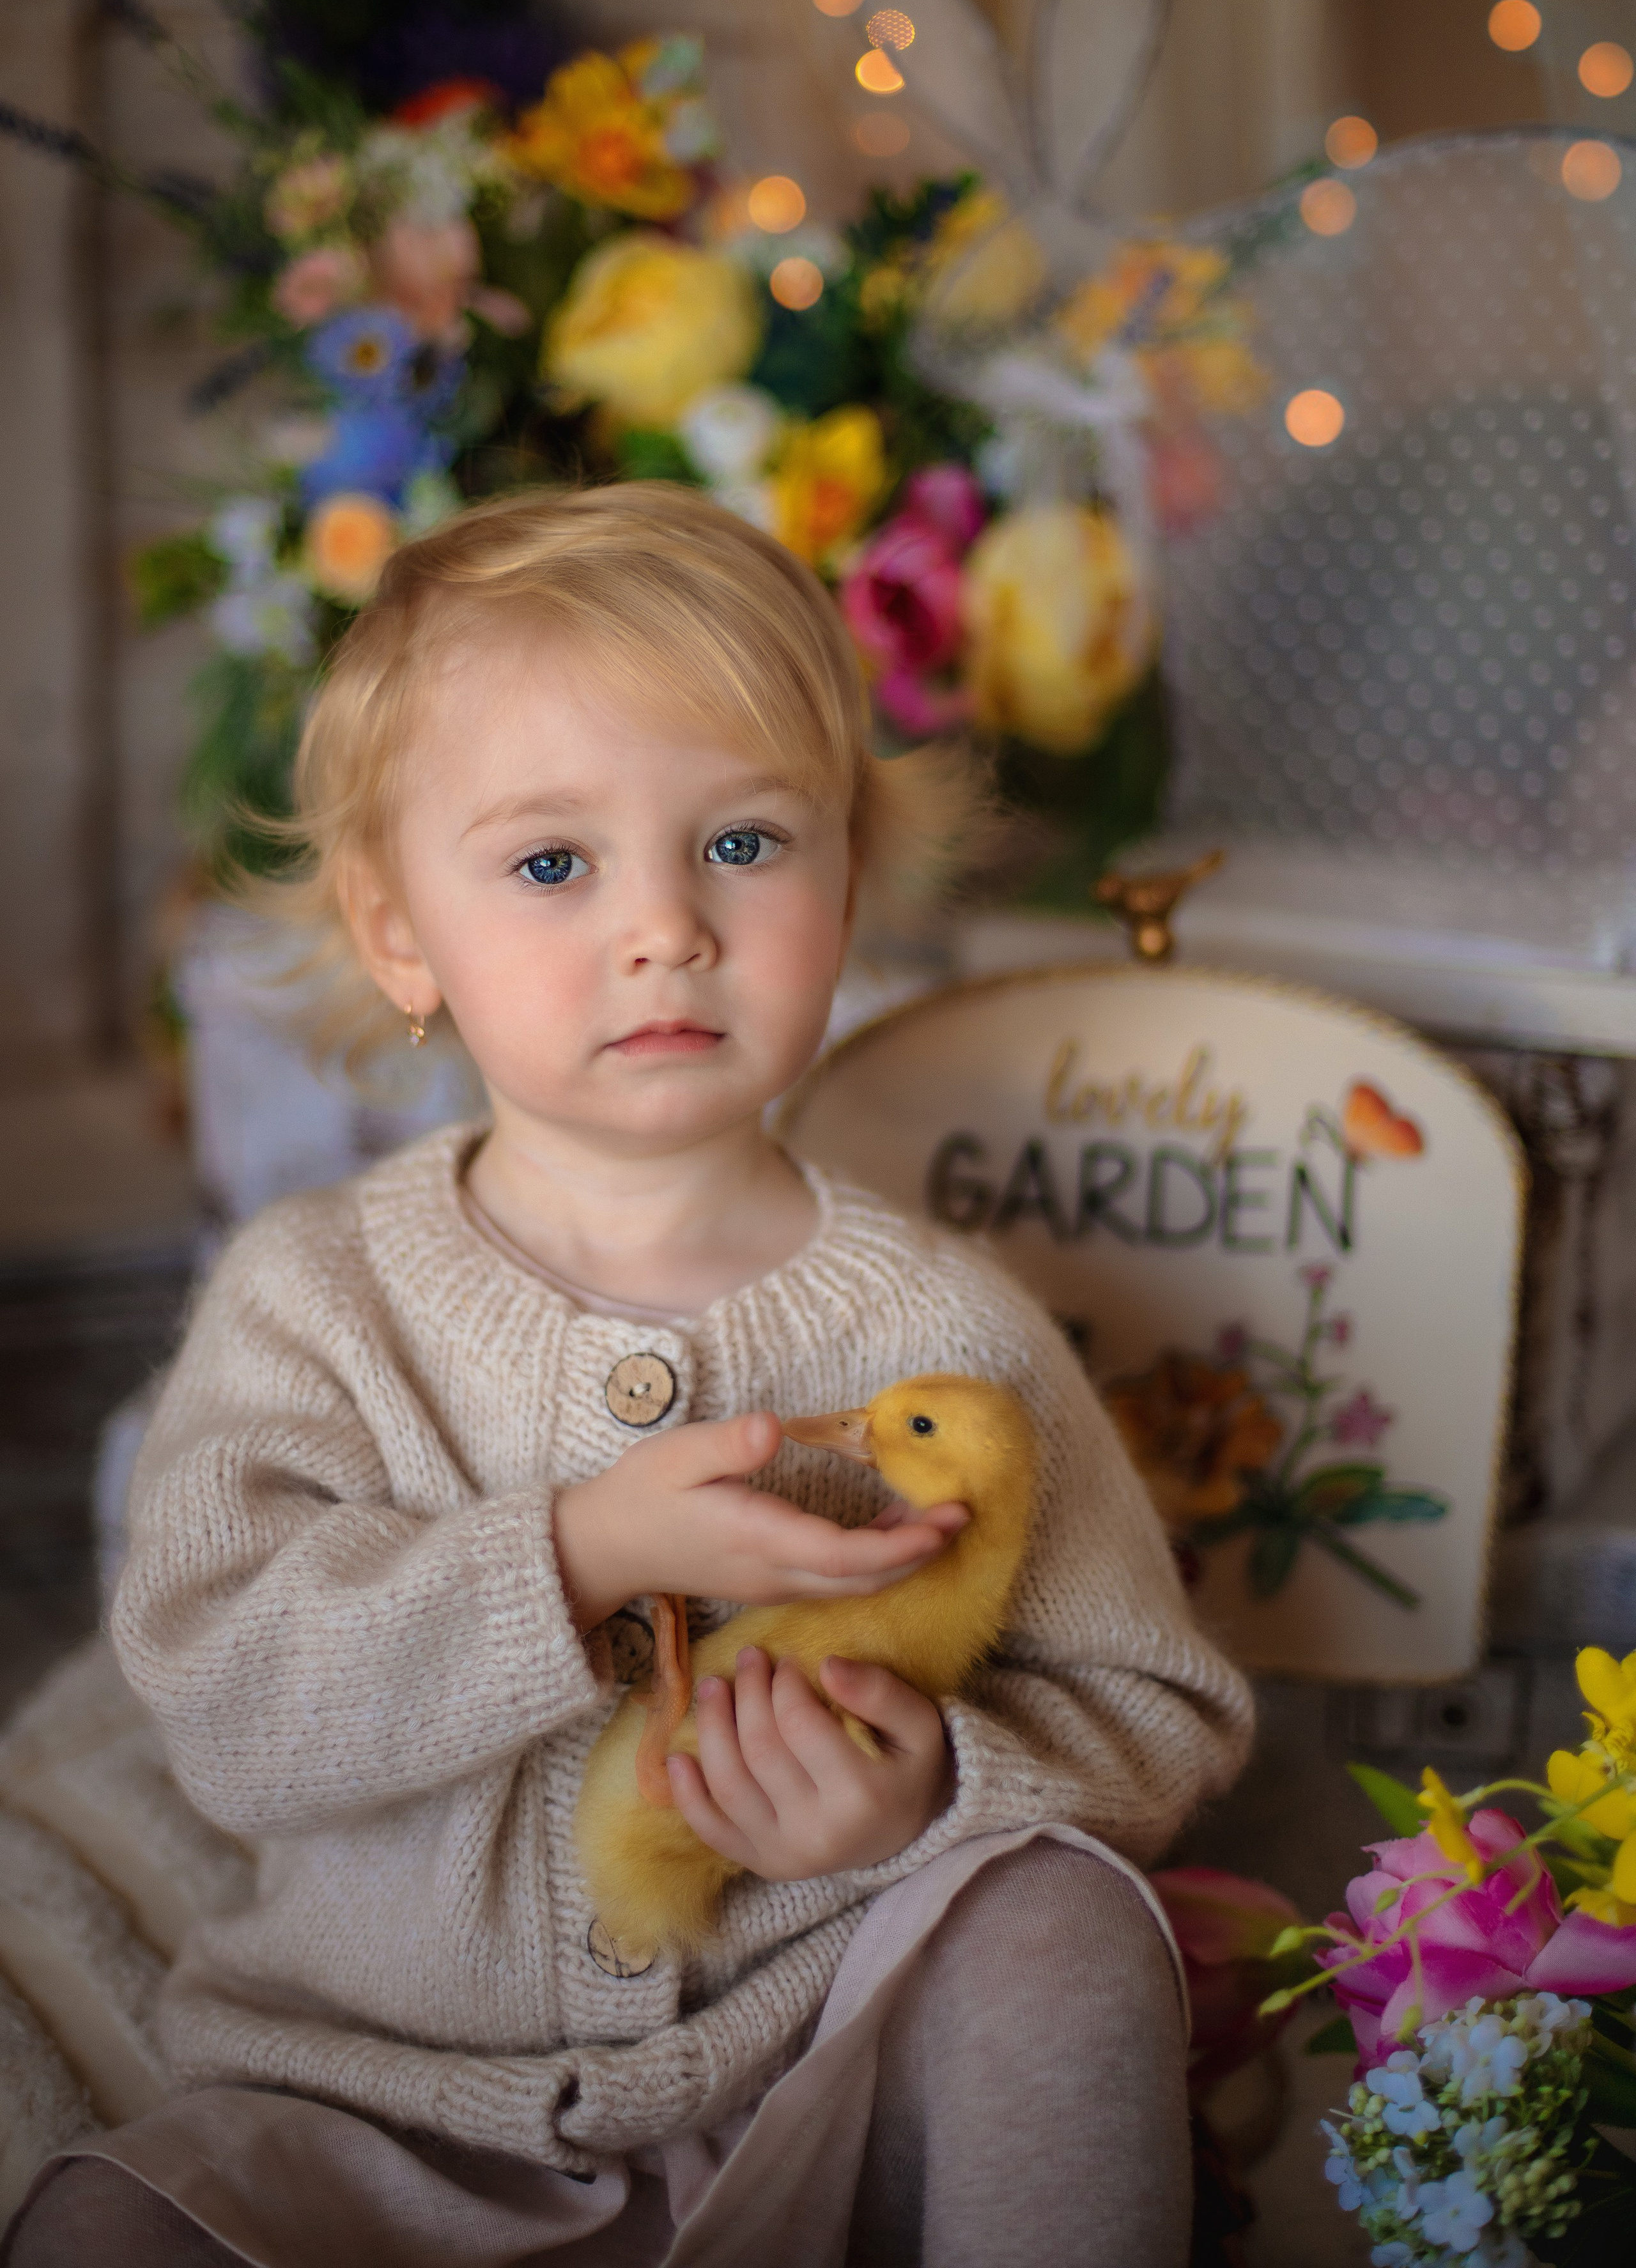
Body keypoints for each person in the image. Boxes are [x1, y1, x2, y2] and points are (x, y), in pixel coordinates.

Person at [4, 485, 1252, 2267]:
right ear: (397, 935)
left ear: (851, 872)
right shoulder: (317, 1301)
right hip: (381, 2109)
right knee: (93, 2228)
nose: (665, 926)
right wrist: (567, 1555)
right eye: (551, 865)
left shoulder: (947, 1331)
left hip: (820, 2068)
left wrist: (931, 1797)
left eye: (744, 845)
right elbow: (223, 1702)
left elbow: (1154, 1705)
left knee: (1064, 1932)